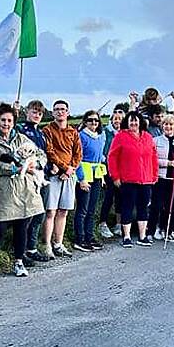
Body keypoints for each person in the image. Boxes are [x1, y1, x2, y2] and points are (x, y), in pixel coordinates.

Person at [0, 103, 46, 280]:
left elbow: (41, 154)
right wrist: (13, 169)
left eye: (10, 120)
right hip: (4, 192)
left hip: (25, 190)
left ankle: (19, 261)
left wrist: (36, 164)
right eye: (3, 120)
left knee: (22, 227)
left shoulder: (22, 138)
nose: (6, 123)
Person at [107, 111, 159, 248]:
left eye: (136, 121)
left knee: (143, 208)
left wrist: (154, 175)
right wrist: (115, 176)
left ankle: (142, 236)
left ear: (140, 122)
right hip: (128, 179)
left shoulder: (148, 137)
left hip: (146, 179)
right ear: (127, 123)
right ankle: (127, 237)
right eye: (131, 121)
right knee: (127, 207)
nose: (134, 124)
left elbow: (154, 157)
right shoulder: (120, 137)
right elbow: (112, 158)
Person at [41, 99, 82, 258]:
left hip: (69, 176)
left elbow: (78, 154)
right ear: (52, 112)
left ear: (68, 112)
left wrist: (71, 169)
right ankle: (47, 245)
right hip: (54, 175)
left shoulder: (73, 132)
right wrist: (65, 168)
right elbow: (50, 151)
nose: (60, 112)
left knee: (63, 211)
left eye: (63, 109)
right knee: (50, 211)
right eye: (57, 109)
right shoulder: (47, 130)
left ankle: (58, 243)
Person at [17, 100, 50, 265]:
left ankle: (32, 248)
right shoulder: (20, 129)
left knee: (39, 215)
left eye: (39, 113)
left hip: (41, 176)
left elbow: (44, 154)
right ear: (27, 111)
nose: (36, 115)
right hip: (27, 177)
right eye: (34, 111)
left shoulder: (42, 133)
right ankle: (20, 253)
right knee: (27, 216)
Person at [149, 113, 174, 241]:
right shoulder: (155, 141)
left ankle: (168, 229)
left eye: (171, 124)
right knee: (157, 205)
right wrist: (168, 163)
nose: (168, 127)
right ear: (162, 126)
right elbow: (152, 159)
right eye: (166, 124)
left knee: (171, 206)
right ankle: (152, 230)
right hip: (160, 178)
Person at [74, 110, 106, 252]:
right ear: (85, 121)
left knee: (92, 209)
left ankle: (89, 235)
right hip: (85, 174)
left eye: (96, 120)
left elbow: (100, 156)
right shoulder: (82, 136)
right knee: (83, 209)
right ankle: (79, 238)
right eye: (91, 120)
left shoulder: (100, 136)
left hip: (97, 174)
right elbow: (78, 158)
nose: (94, 123)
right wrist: (81, 178)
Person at [98, 108, 124, 239]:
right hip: (108, 168)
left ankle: (119, 224)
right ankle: (102, 223)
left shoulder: (125, 134)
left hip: (122, 170)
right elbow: (103, 149)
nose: (117, 121)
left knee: (120, 197)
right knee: (109, 196)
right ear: (111, 120)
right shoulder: (106, 132)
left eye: (120, 119)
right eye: (115, 119)